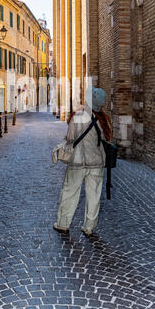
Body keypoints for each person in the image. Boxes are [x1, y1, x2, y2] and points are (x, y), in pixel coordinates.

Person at [53, 87, 112, 237]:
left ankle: (63, 224)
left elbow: (70, 137)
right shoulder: (103, 118)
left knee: (70, 192)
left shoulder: (78, 114)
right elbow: (107, 139)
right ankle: (89, 227)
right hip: (96, 162)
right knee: (94, 195)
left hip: (77, 162)